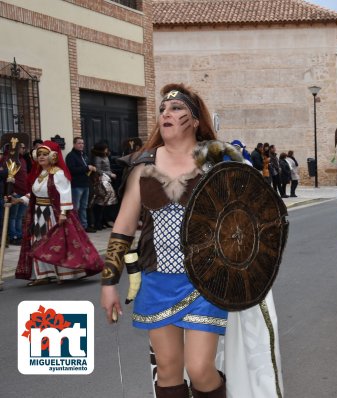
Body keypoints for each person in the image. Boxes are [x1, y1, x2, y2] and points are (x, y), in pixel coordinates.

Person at [100, 83, 282, 398]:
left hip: (205, 279)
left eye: (176, 109)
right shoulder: (143, 166)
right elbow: (124, 225)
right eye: (162, 110)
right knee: (169, 369)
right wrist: (108, 283)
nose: (166, 114)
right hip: (157, 281)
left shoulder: (218, 159)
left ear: (195, 120)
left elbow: (251, 211)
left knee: (199, 368)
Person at [14, 141, 103, 285]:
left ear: (53, 156)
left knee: (54, 243)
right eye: (40, 154)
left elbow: (65, 194)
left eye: (45, 154)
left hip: (53, 213)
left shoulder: (59, 173)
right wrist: (18, 200)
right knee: (38, 242)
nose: (41, 157)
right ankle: (44, 275)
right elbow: (35, 193)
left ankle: (64, 274)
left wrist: (63, 213)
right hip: (38, 214)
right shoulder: (39, 173)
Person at [65, 137, 96, 232]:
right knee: (76, 207)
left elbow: (88, 165)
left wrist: (92, 168)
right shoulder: (71, 156)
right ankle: (74, 227)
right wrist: (87, 168)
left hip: (85, 184)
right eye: (79, 143)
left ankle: (84, 226)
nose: (81, 145)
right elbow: (71, 170)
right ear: (74, 144)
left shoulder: (84, 155)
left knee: (84, 207)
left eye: (82, 143)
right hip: (76, 185)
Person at [90, 141, 118, 230]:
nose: (107, 149)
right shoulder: (98, 158)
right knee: (101, 202)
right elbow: (98, 170)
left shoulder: (105, 156)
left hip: (106, 180)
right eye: (105, 148)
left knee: (106, 202)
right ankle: (98, 222)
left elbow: (107, 168)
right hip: (101, 181)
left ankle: (102, 221)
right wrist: (110, 174)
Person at [7, 142, 28, 245]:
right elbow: (9, 177)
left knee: (20, 216)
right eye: (22, 148)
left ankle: (19, 235)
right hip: (15, 192)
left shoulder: (23, 160)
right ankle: (13, 236)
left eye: (24, 148)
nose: (24, 149)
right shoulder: (11, 159)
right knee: (13, 216)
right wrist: (12, 191)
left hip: (24, 191)